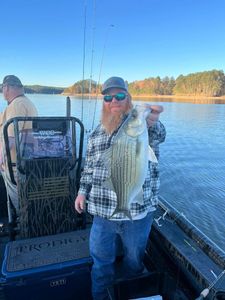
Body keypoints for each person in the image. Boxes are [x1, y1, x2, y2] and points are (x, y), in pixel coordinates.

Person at [75, 76, 166, 300]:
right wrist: (81, 192)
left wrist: (151, 119)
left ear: (128, 99)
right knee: (100, 266)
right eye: (108, 96)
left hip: (138, 214)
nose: (113, 100)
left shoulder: (142, 126)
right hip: (102, 214)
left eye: (120, 95)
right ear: (103, 101)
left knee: (134, 264)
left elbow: (159, 134)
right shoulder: (95, 134)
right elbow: (88, 168)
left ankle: (129, 294)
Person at [0, 75, 38, 213]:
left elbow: (10, 140)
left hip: (15, 167)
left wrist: (1, 161)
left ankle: (22, 223)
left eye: (2, 88)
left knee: (20, 203)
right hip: (26, 161)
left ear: (7, 87)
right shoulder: (25, 102)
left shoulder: (16, 105)